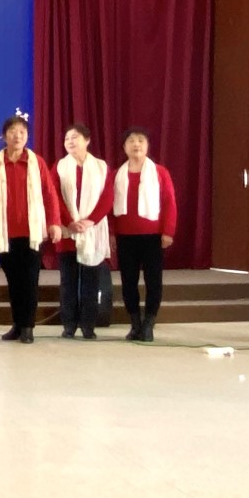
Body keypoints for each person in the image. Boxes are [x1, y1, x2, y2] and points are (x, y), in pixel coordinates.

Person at [0, 114, 61, 344]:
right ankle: (17, 324)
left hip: (32, 234)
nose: (17, 136)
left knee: (30, 281)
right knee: (13, 282)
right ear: (4, 136)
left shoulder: (36, 162)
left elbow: (49, 194)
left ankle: (28, 326)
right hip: (5, 234)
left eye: (22, 132)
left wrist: (54, 222)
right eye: (13, 132)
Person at [112, 127, 177, 342]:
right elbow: (109, 205)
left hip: (153, 236)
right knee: (128, 282)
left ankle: (149, 323)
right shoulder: (117, 175)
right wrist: (112, 233)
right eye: (131, 141)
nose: (136, 144)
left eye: (141, 140)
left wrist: (168, 231)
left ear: (147, 146)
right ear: (124, 147)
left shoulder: (160, 172)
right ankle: (135, 324)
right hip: (125, 236)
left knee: (153, 281)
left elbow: (169, 203)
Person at [55, 123, 114, 340]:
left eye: (75, 137)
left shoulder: (101, 167)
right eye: (67, 138)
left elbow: (108, 197)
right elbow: (54, 196)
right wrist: (70, 222)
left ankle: (88, 325)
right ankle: (69, 325)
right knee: (68, 282)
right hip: (68, 232)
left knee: (91, 281)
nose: (70, 142)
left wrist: (90, 221)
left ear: (87, 140)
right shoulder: (60, 167)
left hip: (93, 231)